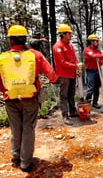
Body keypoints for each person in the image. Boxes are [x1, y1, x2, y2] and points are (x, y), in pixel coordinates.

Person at [0, 24, 57, 172]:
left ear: (11, 40)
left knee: (15, 128)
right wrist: (51, 80)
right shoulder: (35, 55)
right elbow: (51, 74)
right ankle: (26, 163)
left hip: (10, 98)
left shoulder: (3, 58)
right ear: (25, 39)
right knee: (28, 129)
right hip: (30, 98)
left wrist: (6, 91)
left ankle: (16, 155)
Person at [53, 24, 83, 125]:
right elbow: (62, 62)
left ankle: (72, 111)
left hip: (72, 74)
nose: (70, 35)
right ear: (63, 34)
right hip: (64, 75)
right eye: (68, 33)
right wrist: (75, 66)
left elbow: (74, 58)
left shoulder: (70, 46)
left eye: (70, 33)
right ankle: (65, 115)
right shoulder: (57, 47)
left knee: (71, 93)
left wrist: (77, 68)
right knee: (64, 95)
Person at [83, 34, 103, 109]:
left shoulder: (98, 51)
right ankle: (87, 104)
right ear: (92, 42)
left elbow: (102, 60)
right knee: (91, 87)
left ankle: (95, 103)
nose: (98, 42)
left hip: (97, 70)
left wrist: (100, 60)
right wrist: (101, 56)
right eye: (96, 41)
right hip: (90, 71)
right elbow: (93, 56)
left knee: (97, 87)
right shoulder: (87, 50)